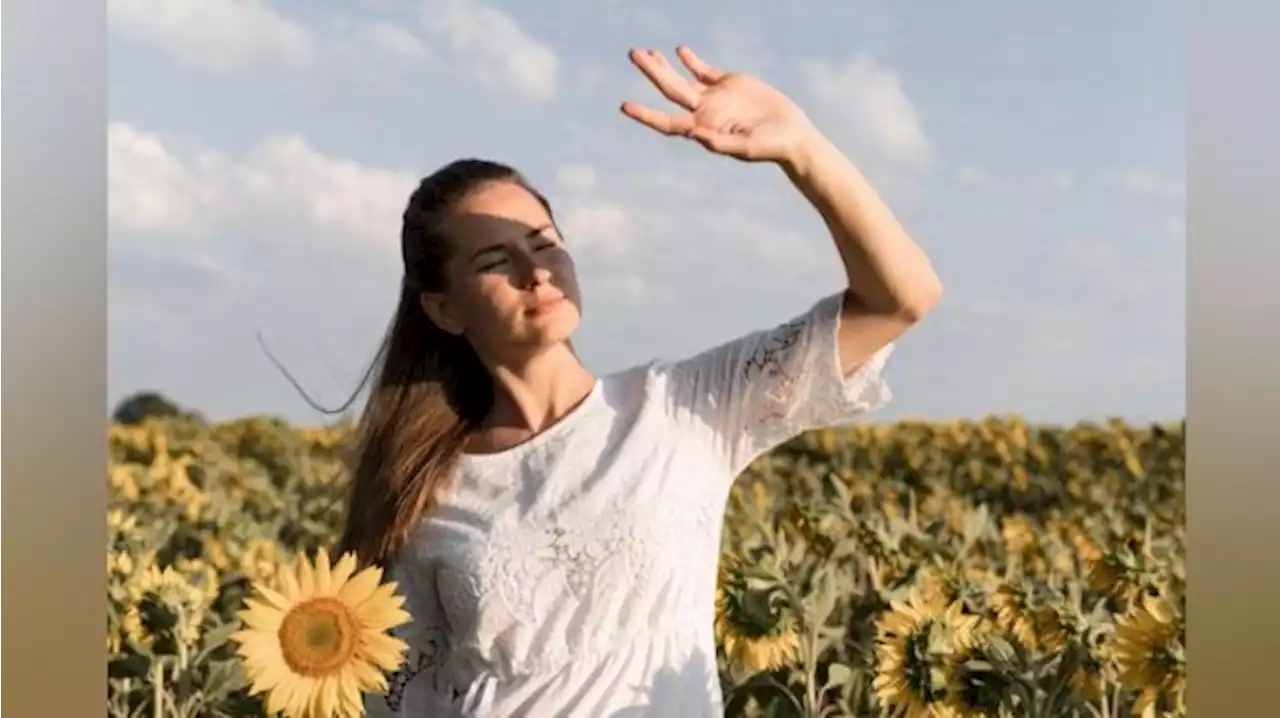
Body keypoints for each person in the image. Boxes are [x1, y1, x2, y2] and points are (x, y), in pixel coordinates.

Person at [337, 46, 942, 717]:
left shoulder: (682, 407)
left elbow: (900, 298)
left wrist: (801, 148)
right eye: (494, 259)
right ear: (444, 307)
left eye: (544, 241)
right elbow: (396, 700)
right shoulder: (424, 487)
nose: (536, 270)